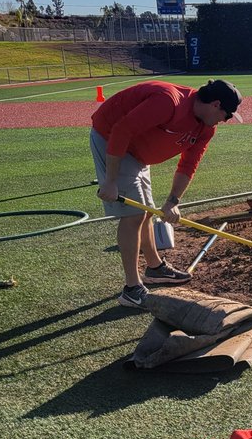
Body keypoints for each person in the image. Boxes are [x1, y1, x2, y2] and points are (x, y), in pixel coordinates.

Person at [91, 78, 242, 307]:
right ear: (215, 104)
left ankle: (154, 268)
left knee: (147, 212)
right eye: (227, 114)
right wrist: (110, 181)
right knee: (133, 215)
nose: (225, 120)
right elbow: (121, 130)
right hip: (110, 138)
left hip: (138, 153)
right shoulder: (168, 101)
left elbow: (188, 164)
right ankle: (132, 289)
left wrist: (173, 201)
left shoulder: (206, 128)